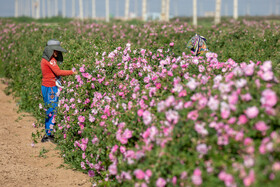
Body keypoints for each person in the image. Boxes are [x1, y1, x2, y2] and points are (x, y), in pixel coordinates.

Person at [41, 39, 77, 142]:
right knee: (52, 109)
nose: (57, 52)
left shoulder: (45, 59)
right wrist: (72, 72)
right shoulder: (50, 60)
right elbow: (58, 71)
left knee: (50, 109)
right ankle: (48, 134)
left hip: (46, 86)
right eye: (55, 50)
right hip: (50, 87)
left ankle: (49, 133)